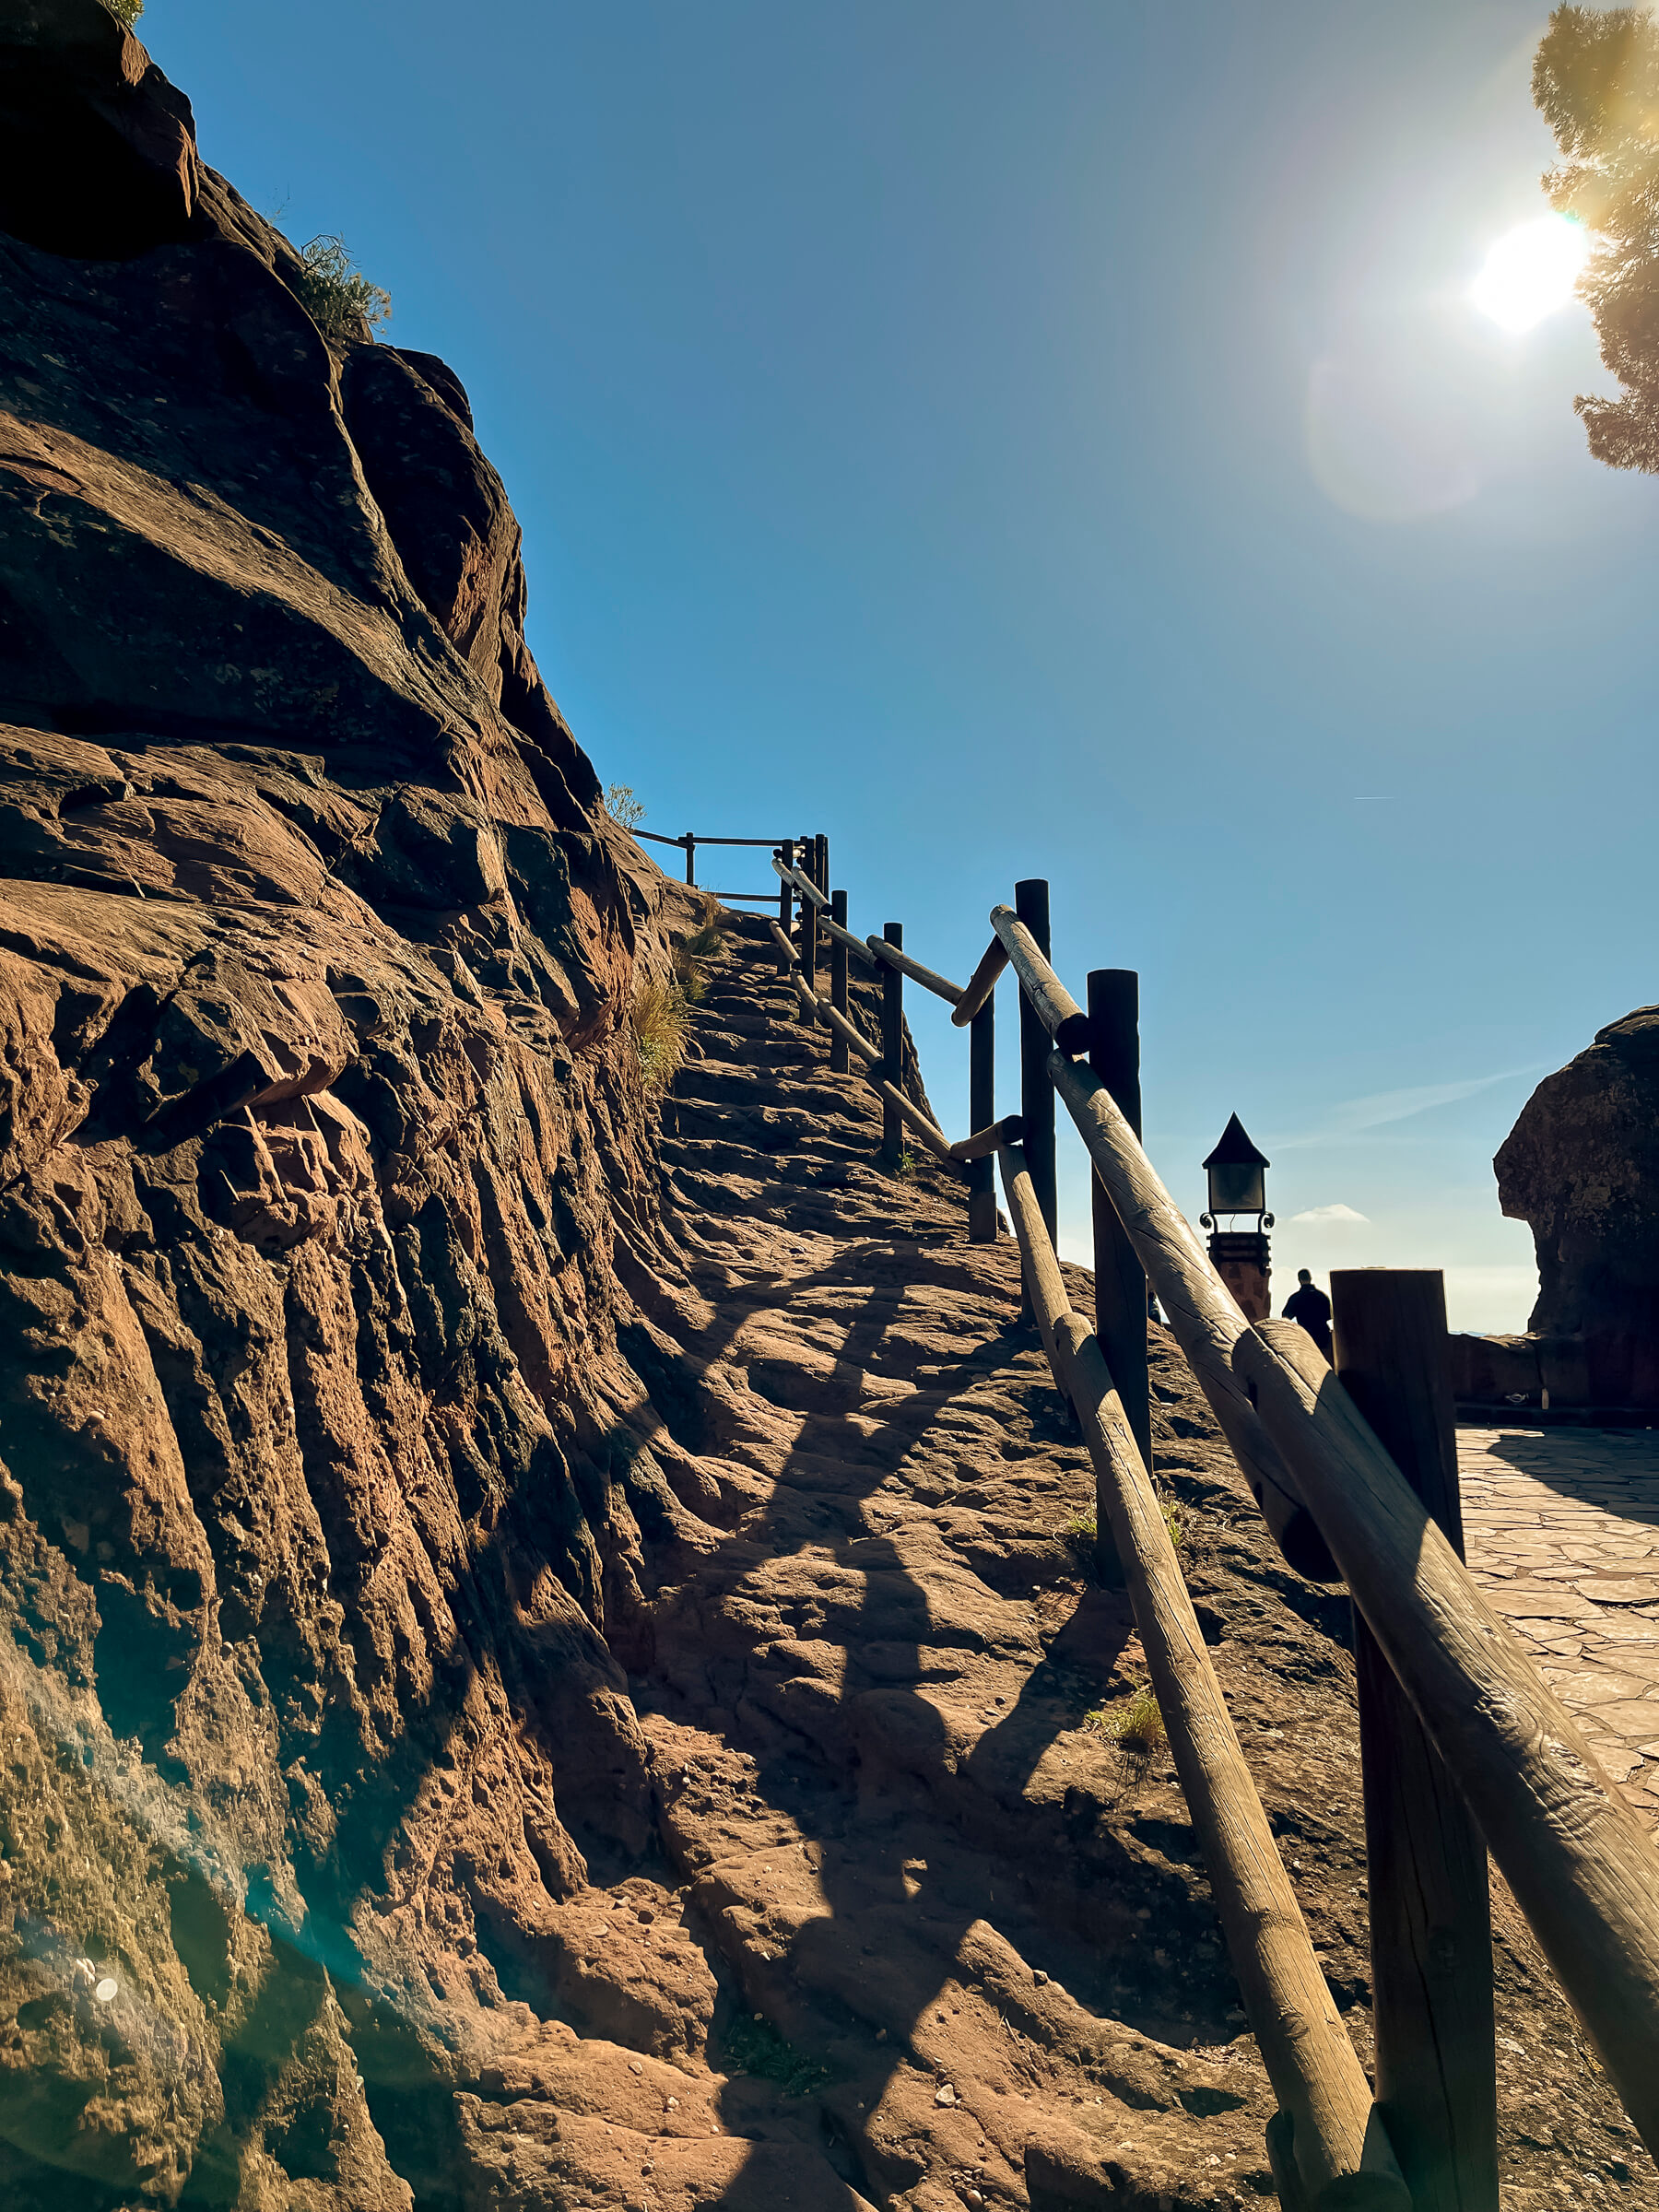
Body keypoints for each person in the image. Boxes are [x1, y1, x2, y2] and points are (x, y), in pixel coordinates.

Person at [1282, 1268, 1333, 1361]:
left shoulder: (1296, 1298)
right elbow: (1329, 1316)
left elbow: (1285, 1317)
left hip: (1305, 1338)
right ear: (1311, 1278)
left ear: (1299, 1280)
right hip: (1323, 1336)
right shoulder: (1322, 1296)